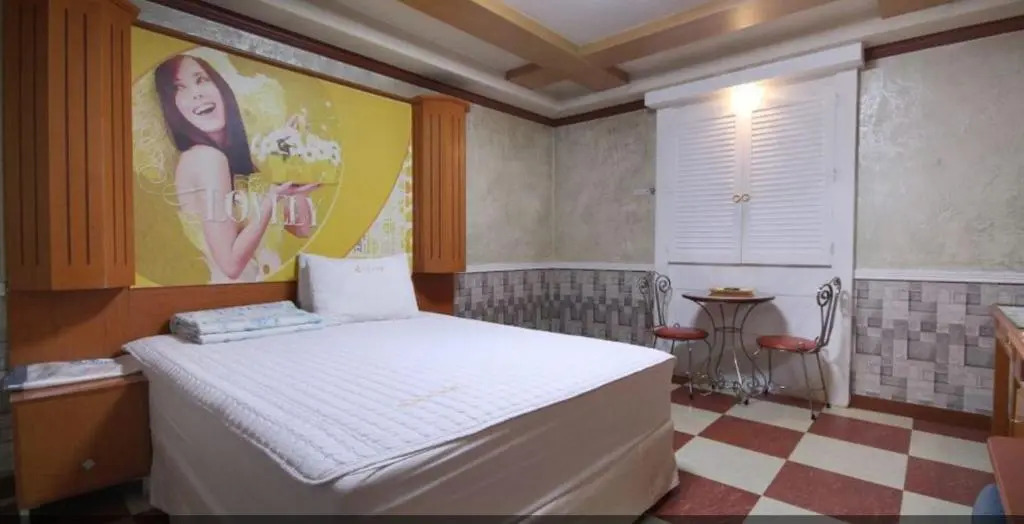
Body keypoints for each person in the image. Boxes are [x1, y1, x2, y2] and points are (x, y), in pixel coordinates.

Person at [154, 54, 317, 282]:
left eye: (201, 80)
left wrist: (290, 162)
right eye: (178, 88)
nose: (196, 93)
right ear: (172, 106)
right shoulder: (206, 159)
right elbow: (231, 266)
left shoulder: (235, 159)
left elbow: (301, 229)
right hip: (233, 293)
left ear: (220, 87)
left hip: (261, 292)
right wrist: (272, 198)